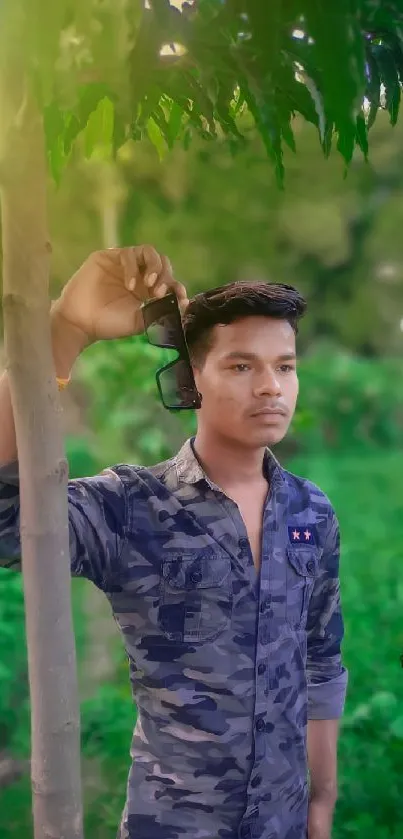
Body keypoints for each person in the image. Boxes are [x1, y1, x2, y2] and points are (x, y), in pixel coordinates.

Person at [0, 245, 348, 839]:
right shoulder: (133, 506)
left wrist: (321, 801)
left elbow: (320, 659)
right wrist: (67, 329)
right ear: (193, 380)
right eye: (241, 366)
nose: (271, 387)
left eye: (284, 366)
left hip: (284, 823)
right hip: (176, 822)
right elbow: (8, 518)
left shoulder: (310, 511)